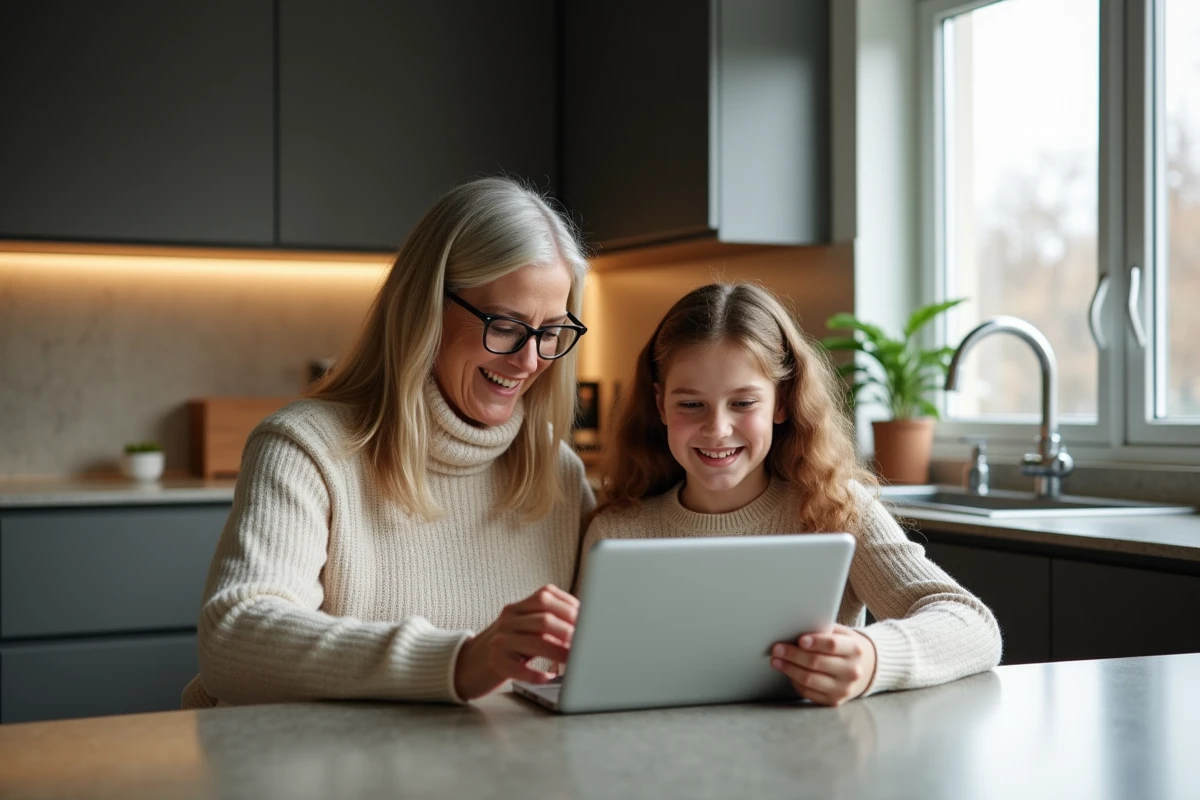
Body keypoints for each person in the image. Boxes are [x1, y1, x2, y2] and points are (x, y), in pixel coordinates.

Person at [182, 177, 595, 708]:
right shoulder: (307, 448)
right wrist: (459, 662)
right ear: (425, 308)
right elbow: (234, 638)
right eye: (507, 326)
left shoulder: (556, 471)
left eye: (551, 332)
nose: (530, 360)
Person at [584, 282, 1001, 706]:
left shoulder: (835, 509)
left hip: (809, 761)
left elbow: (973, 625)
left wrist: (875, 658)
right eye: (691, 405)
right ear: (660, 404)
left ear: (782, 402)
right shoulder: (616, 531)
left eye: (744, 403)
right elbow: (579, 674)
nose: (717, 429)